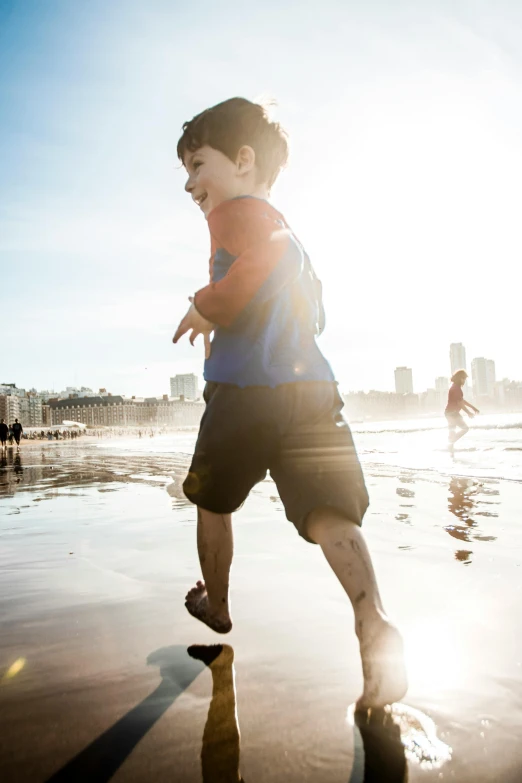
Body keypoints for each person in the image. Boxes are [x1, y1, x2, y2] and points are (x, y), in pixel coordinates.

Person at [172, 97, 407, 709]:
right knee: (329, 511)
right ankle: (372, 618)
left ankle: (217, 604)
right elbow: (318, 312)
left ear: (243, 160)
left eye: (198, 164)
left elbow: (269, 260)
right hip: (310, 392)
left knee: (211, 498)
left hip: (245, 392)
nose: (191, 183)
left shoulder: (235, 216)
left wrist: (209, 303)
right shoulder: (286, 227)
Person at [445, 370, 479, 448]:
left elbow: (462, 401)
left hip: (448, 413)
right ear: (460, 378)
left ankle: (450, 448)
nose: (464, 381)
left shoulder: (454, 387)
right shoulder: (456, 388)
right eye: (464, 379)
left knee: (452, 432)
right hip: (453, 413)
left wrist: (473, 408)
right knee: (465, 428)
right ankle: (451, 442)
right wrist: (469, 413)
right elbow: (460, 403)